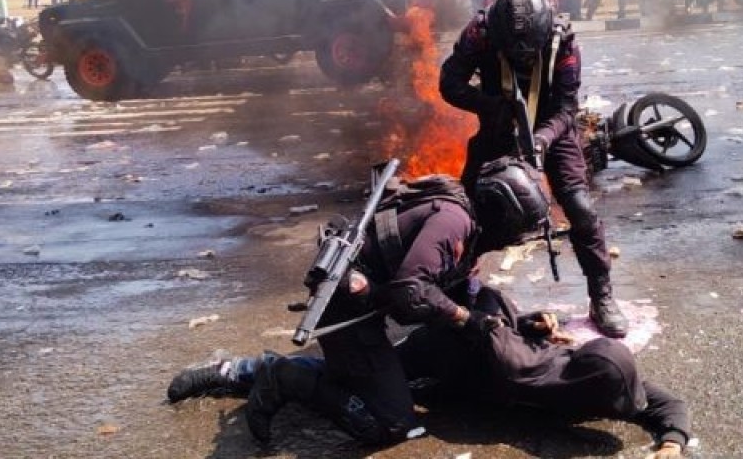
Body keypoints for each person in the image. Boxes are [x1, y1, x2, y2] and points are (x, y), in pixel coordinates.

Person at [168, 159, 552, 447]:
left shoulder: (468, 228)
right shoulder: (453, 221)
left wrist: (511, 323)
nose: (516, 240)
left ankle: (240, 371)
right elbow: (411, 294)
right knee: (389, 424)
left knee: (392, 374)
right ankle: (283, 378)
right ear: (503, 217)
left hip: (368, 300)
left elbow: (463, 291)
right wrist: (466, 318)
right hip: (346, 305)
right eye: (519, 229)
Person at [168, 284, 691, 457]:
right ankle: (252, 371)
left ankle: (272, 371)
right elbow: (483, 314)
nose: (618, 413)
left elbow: (662, 404)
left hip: (456, 372)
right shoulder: (520, 366)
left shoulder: (605, 380)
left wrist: (671, 440)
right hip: (435, 356)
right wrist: (512, 325)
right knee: (370, 405)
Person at [439, 0, 628, 338]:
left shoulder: (564, 40)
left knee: (581, 208)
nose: (523, 58)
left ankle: (601, 297)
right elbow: (449, 83)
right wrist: (491, 106)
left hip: (551, 130)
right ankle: (456, 292)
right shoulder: (479, 33)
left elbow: (567, 108)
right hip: (497, 128)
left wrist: (541, 140)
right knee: (465, 213)